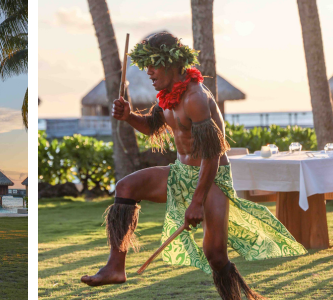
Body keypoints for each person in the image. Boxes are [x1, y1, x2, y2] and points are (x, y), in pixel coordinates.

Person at [80, 32, 307, 299]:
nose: (149, 72)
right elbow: (153, 126)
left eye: (153, 64)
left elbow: (212, 155)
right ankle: (115, 268)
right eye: (146, 66)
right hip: (181, 172)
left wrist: (197, 201)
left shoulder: (195, 98)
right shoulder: (167, 96)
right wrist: (129, 116)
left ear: (172, 62)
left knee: (215, 255)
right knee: (126, 186)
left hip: (210, 179)